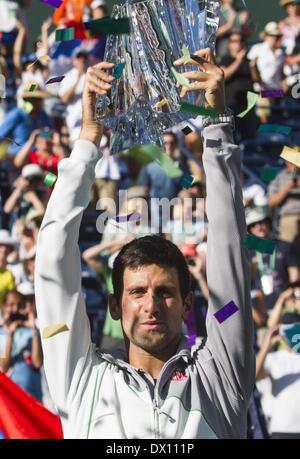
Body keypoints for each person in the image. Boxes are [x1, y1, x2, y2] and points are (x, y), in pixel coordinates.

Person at [35, 48, 255, 439]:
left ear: (188, 304)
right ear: (115, 307)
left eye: (166, 292)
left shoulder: (220, 375)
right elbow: (52, 257)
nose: (151, 305)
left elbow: (228, 241)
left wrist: (217, 126)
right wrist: (88, 141)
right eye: (137, 292)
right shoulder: (81, 379)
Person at [246, 206, 299, 310]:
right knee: (219, 317)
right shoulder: (247, 251)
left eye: (262, 222)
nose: (259, 227)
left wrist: (288, 302)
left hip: (284, 307)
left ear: (269, 224)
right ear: (250, 230)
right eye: (253, 225)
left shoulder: (284, 246)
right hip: (258, 310)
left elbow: (295, 277)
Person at [0, 290, 43, 401]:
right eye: (11, 305)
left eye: (19, 305)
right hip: (13, 401)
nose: (15, 309)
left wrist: (34, 330)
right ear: (4, 307)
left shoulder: (31, 332)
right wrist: (10, 335)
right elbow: (4, 367)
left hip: (33, 395)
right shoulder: (1, 334)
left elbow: (37, 363)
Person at [268, 158, 300, 260]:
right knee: (288, 249)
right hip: (289, 217)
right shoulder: (279, 177)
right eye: (292, 161)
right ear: (286, 161)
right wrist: (285, 191)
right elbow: (271, 202)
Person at [247, 22, 285, 92]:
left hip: (276, 91)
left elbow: (281, 73)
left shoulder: (280, 53)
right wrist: (260, 83)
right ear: (266, 36)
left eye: (278, 36)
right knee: (263, 101)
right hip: (259, 91)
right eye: (273, 36)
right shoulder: (257, 48)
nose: (276, 39)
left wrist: (284, 85)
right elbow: (251, 66)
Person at [0, 230, 16, 310]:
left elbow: (11, 299)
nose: (4, 249)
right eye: (1, 245)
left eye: (6, 246)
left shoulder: (9, 274)